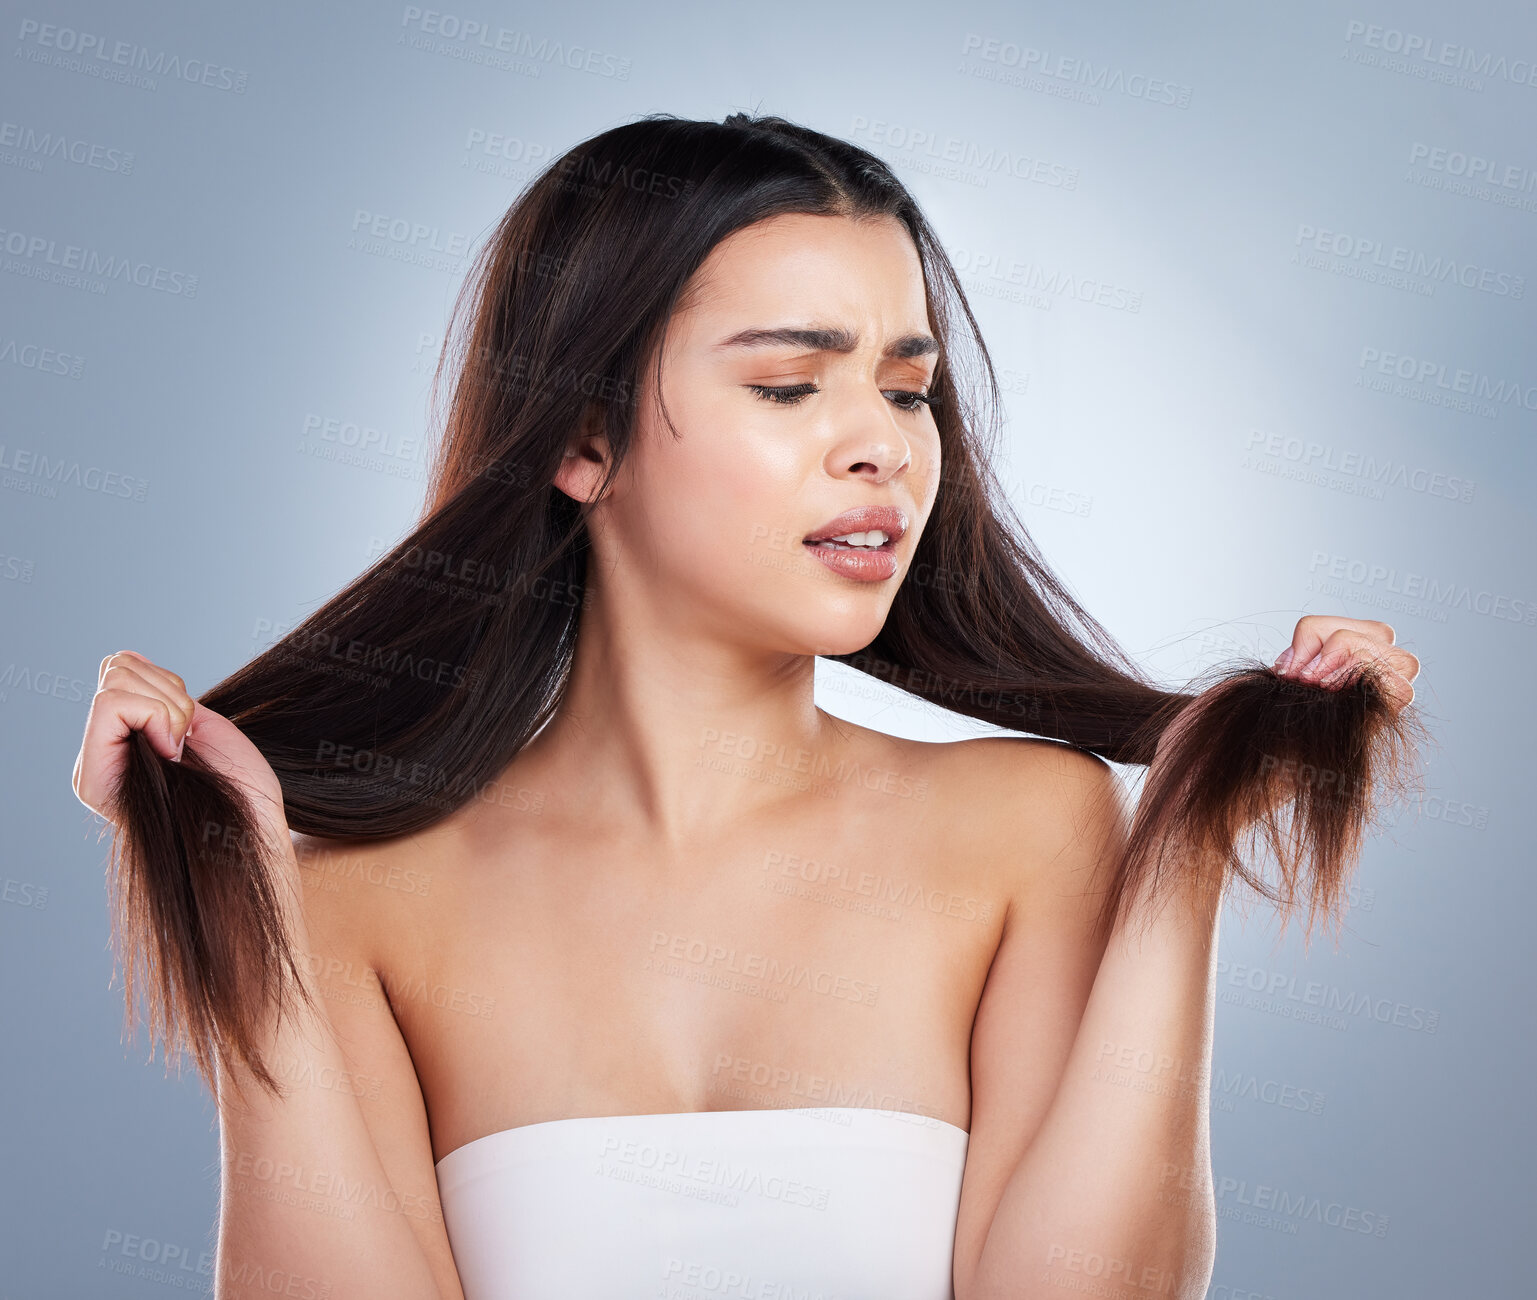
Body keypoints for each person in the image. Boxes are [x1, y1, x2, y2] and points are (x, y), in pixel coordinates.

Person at [72, 113, 1422, 1299]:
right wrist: (237, 899)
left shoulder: (1030, 824)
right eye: (787, 384)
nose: (883, 444)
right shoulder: (359, 898)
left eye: (907, 387)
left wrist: (1182, 837)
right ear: (579, 443)